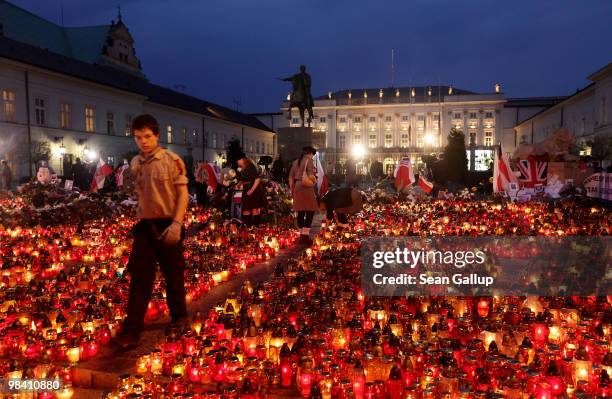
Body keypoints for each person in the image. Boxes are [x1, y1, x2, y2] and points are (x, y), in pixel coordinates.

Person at [115, 114, 189, 350]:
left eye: (147, 136)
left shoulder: (171, 160)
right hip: (146, 227)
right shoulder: (136, 163)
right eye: (138, 137)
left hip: (168, 223)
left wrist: (177, 224)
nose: (143, 141)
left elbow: (182, 194)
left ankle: (179, 318)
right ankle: (132, 328)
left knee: (173, 275)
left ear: (156, 135)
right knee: (140, 278)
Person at [288, 146, 318, 244]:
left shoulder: (295, 162)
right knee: (310, 211)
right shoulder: (308, 161)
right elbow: (310, 175)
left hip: (297, 186)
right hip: (306, 187)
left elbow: (291, 178)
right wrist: (315, 180)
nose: (312, 157)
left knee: (300, 212)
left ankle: (301, 235)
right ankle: (305, 236)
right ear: (309, 153)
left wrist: (292, 190)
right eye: (312, 154)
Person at [237, 153, 265, 226]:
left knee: (254, 209)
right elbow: (245, 179)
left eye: (238, 160)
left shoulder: (250, 166)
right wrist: (239, 184)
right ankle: (248, 227)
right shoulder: (244, 167)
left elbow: (257, 179)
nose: (237, 162)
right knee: (246, 209)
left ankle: (255, 228)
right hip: (247, 189)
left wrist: (252, 190)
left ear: (242, 160)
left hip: (253, 190)